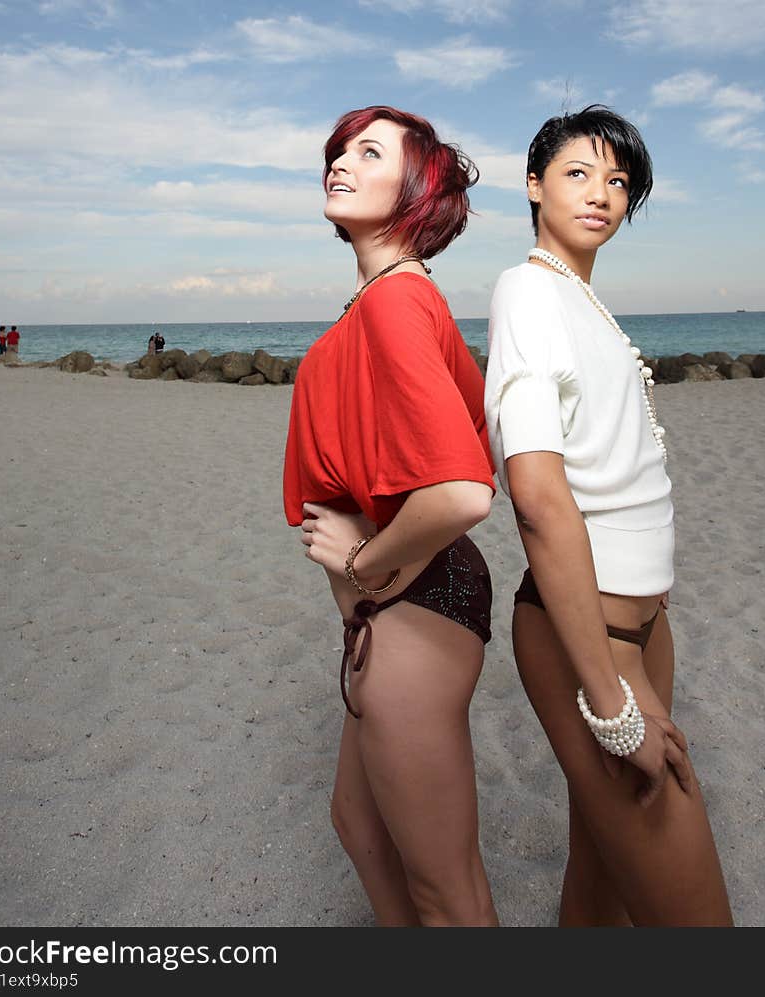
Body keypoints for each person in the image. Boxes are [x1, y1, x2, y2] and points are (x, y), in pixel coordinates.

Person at [484, 105, 733, 926]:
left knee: (601, 883)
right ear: (534, 184)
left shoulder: (583, 300)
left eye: (618, 180)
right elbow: (536, 493)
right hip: (588, 640)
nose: (602, 194)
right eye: (577, 173)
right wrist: (612, 704)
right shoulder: (527, 289)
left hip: (643, 628)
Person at [283, 106, 498, 926]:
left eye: (368, 152)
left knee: (448, 888)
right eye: (338, 149)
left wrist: (364, 562)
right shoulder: (384, 297)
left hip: (414, 599)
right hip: (398, 603)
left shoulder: (393, 303)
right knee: (360, 824)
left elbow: (462, 491)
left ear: (417, 187)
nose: (340, 160)